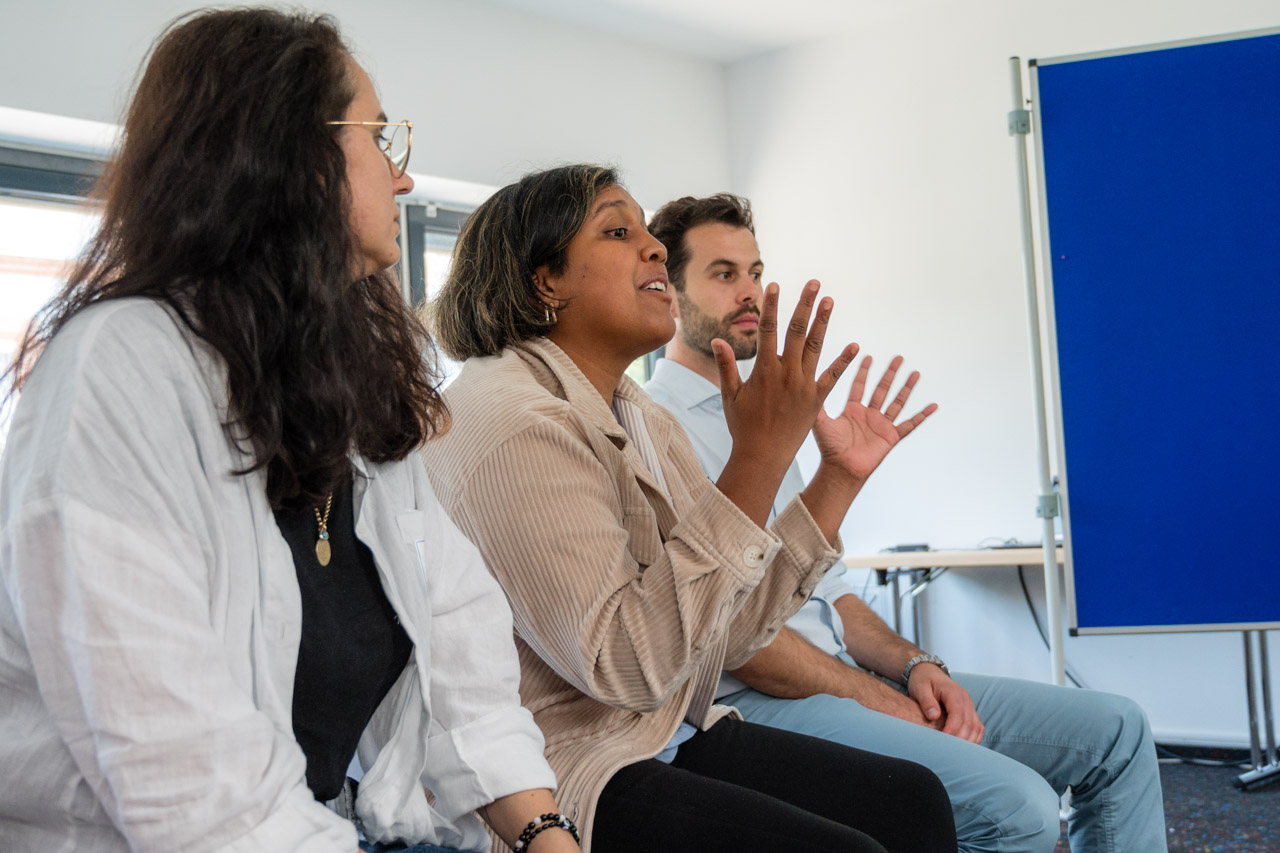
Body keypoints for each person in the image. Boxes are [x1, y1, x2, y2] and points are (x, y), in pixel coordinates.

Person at [0, 9, 579, 853]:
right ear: (292, 155)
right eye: (381, 139)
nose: (404, 178)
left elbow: (459, 647)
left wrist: (544, 833)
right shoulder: (119, 369)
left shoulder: (344, 378)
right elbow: (188, 786)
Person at [420, 164, 957, 853]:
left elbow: (728, 631)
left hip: (664, 728)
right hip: (570, 767)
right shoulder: (514, 420)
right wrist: (757, 458)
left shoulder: (636, 411)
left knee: (910, 800)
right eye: (619, 230)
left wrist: (836, 480)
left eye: (650, 231)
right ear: (544, 279)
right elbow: (627, 665)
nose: (654, 249)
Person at [644, 192, 1168, 853]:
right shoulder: (654, 428)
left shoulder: (765, 412)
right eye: (724, 274)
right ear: (670, 291)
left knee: (1118, 729)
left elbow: (833, 596)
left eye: (755, 270)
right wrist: (875, 695)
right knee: (1021, 810)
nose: (752, 292)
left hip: (836, 673)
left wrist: (917, 665)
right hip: (753, 698)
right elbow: (737, 642)